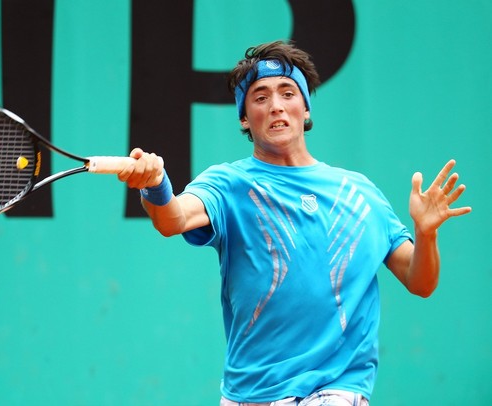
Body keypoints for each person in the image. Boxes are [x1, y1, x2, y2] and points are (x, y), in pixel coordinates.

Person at [117, 40, 472, 405]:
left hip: (337, 389)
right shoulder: (228, 184)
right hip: (249, 392)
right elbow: (172, 219)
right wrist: (156, 185)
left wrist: (426, 234)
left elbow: (420, 281)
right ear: (244, 118)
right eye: (260, 97)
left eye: (288, 93)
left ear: (305, 108)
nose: (276, 106)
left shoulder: (360, 193)